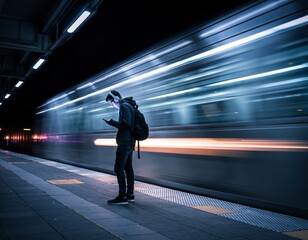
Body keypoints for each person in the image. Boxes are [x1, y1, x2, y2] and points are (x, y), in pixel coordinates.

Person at [103, 90, 136, 205]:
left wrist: (112, 122)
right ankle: (130, 194)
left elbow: (125, 123)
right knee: (128, 168)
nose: (112, 105)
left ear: (116, 99)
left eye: (111, 103)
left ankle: (123, 196)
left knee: (118, 168)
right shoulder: (130, 106)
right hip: (130, 142)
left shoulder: (124, 106)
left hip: (124, 143)